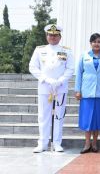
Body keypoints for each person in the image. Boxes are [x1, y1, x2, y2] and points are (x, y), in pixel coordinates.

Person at [29, 24, 75, 153]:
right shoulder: (39, 50)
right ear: (46, 36)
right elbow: (32, 67)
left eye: (55, 35)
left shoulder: (67, 50)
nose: (53, 37)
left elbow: (70, 68)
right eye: (50, 35)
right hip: (45, 87)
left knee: (59, 116)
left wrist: (60, 81)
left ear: (60, 37)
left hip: (60, 87)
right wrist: (46, 79)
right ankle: (42, 143)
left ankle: (57, 143)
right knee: (43, 116)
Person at [74, 33, 100, 154]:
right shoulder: (84, 56)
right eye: (94, 41)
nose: (96, 44)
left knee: (97, 119)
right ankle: (87, 143)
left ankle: (95, 143)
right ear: (90, 43)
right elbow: (79, 73)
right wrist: (77, 90)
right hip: (87, 92)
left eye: (99, 41)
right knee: (87, 119)